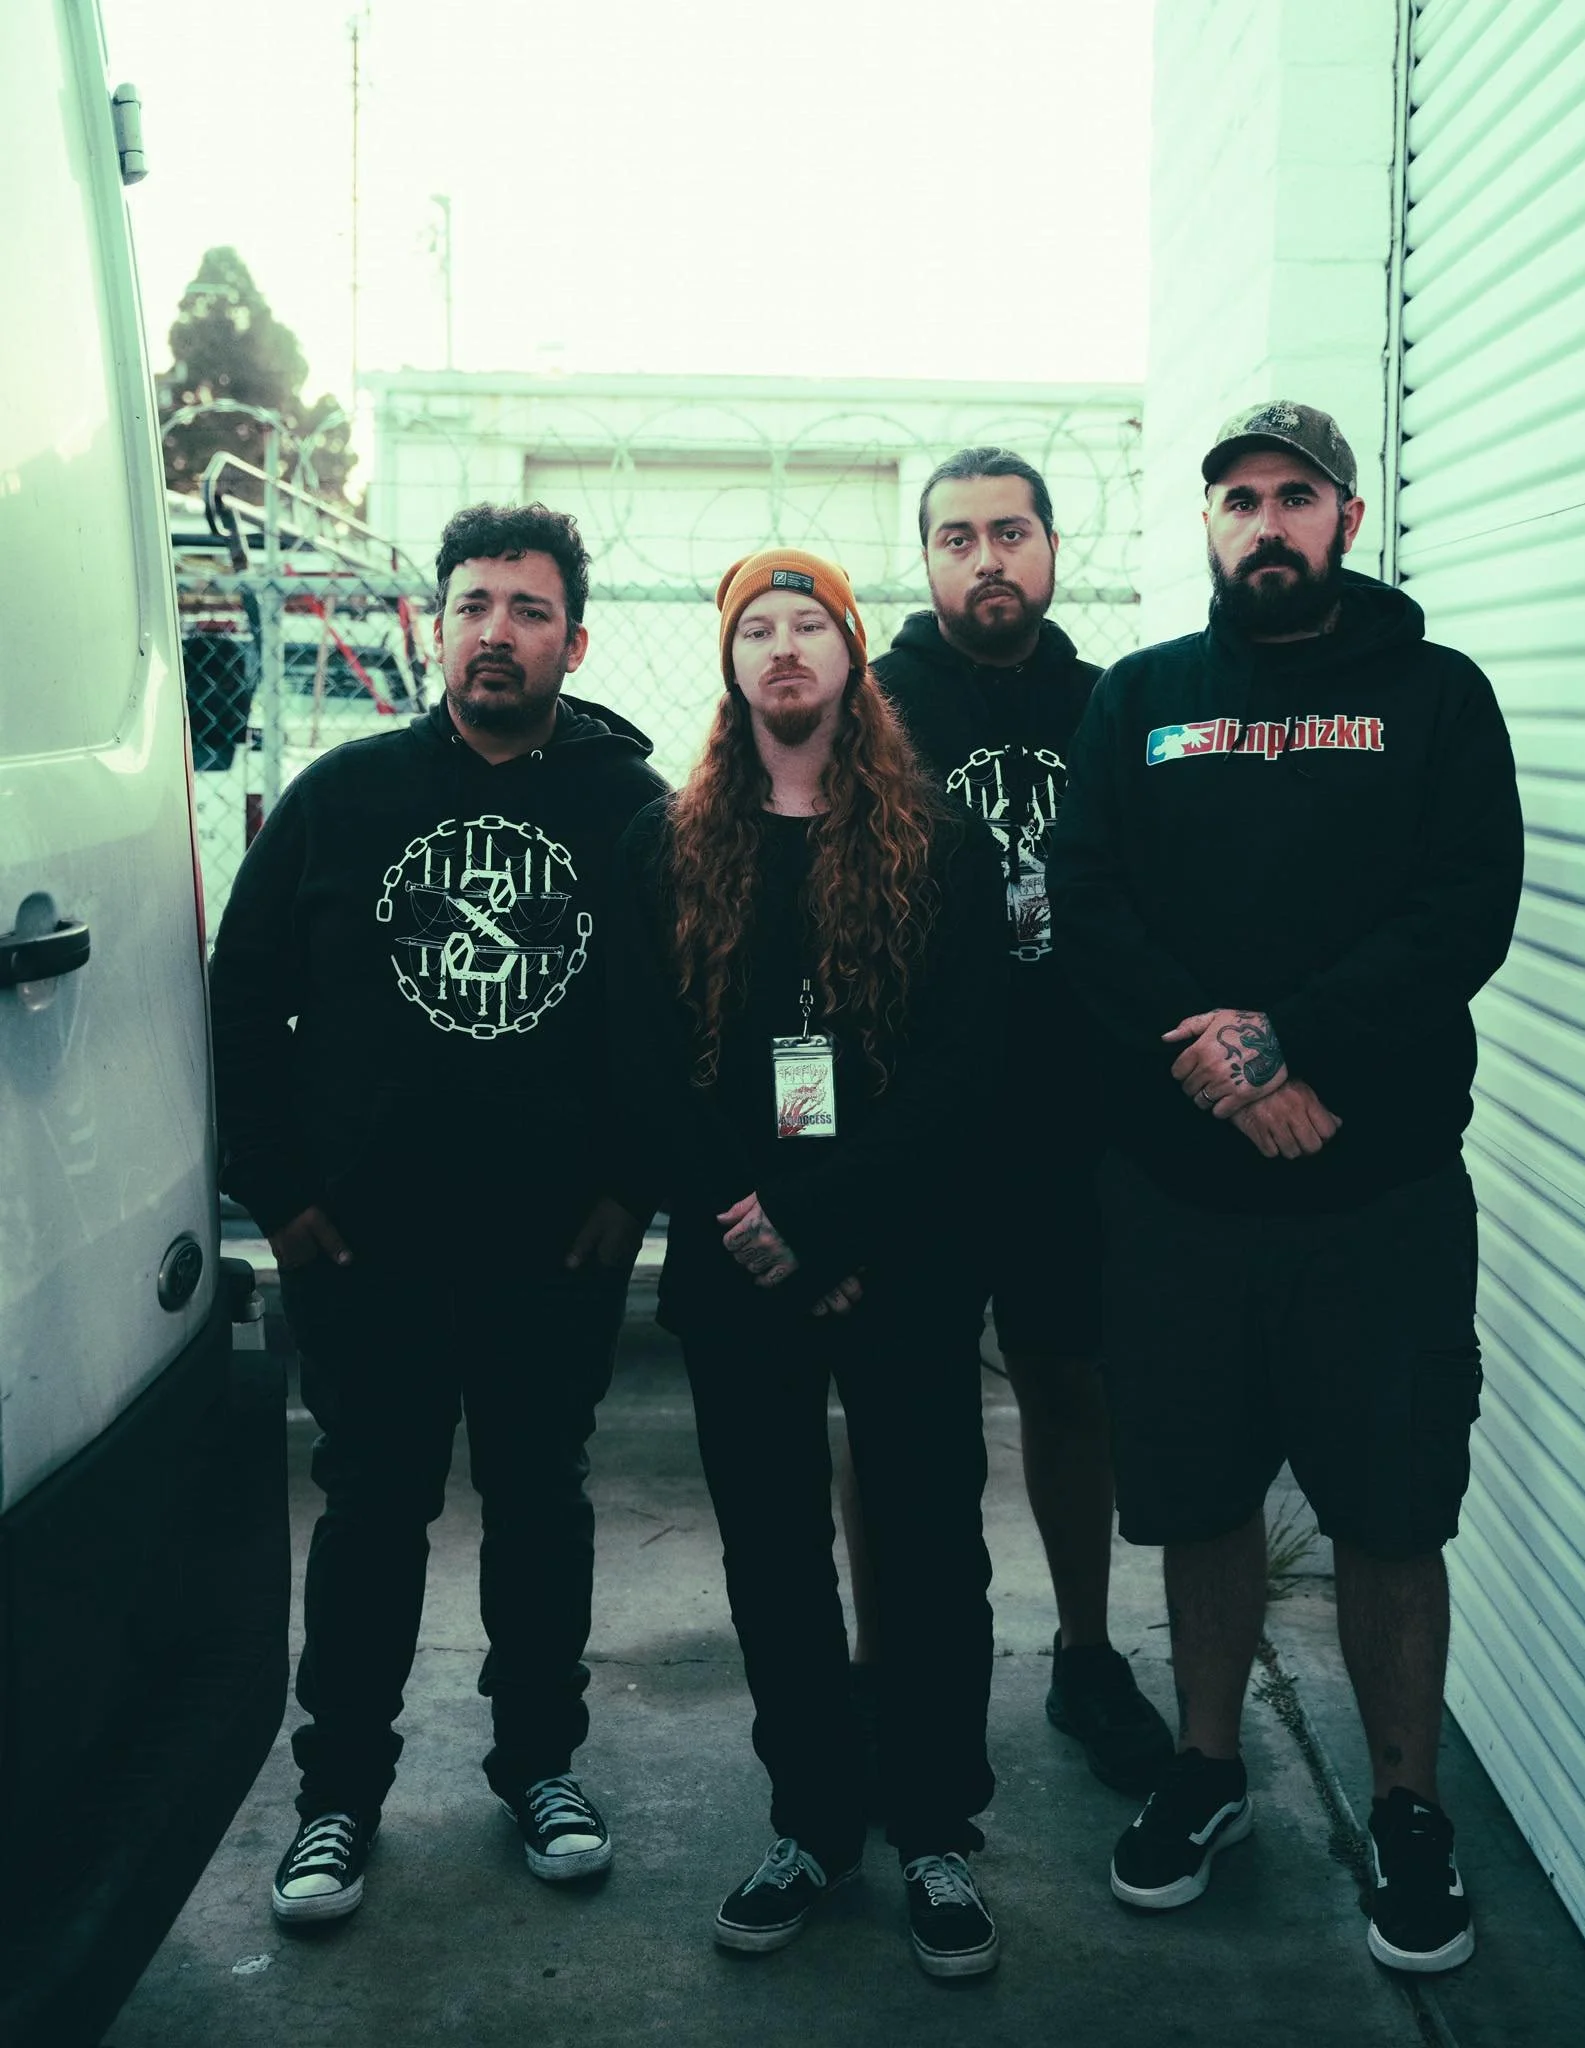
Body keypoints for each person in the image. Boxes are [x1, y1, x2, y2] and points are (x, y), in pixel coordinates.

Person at [1049, 403, 1524, 1973]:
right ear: (1207, 524)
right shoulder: (1139, 698)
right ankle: (1205, 1772)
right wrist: (1230, 1075)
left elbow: (1461, 911)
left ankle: (1404, 1809)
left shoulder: (1435, 697)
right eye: (1238, 498)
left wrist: (1286, 1041)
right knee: (1196, 1500)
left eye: (1294, 496)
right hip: (1178, 1206)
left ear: (1346, 517)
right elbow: (1087, 903)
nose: (1265, 521)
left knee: (1391, 1512)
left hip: (1377, 1200)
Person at [210, 503, 667, 1923]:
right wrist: (282, 1197)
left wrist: (630, 1188)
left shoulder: (630, 810)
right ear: (436, 627)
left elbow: (671, 1020)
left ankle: (540, 1767)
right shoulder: (341, 799)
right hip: (368, 1246)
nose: (496, 633)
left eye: (529, 610)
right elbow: (240, 1002)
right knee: (371, 1509)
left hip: (553, 1243)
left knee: (539, 1503)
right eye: (473, 605)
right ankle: (338, 1797)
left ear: (573, 642)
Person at [609, 549, 1006, 1978]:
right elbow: (646, 1061)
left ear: (849, 656)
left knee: (928, 1544)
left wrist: (830, 1226)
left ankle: (937, 1831)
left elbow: (963, 1064)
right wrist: (755, 1219)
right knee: (773, 1555)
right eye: (755, 630)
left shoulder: (940, 844)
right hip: (740, 1259)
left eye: (807, 627)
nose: (782, 649)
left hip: (903, 1252)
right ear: (730, 666)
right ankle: (814, 1824)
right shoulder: (669, 845)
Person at [838, 447, 1171, 1796]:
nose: (988, 558)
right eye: (959, 536)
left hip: (1067, 1114)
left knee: (1068, 1380)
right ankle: (879, 1669)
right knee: (891, 1404)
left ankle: (1085, 1653)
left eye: (1012, 533)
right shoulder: (872, 707)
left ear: (1050, 549)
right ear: (925, 559)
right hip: (914, 1120)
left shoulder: (1110, 707)